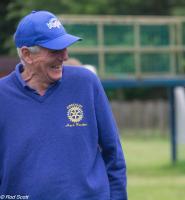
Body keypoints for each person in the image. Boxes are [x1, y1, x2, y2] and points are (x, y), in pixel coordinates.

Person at [0, 10, 127, 200]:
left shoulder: (86, 83)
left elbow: (114, 155)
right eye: (55, 50)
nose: (65, 56)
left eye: (65, 47)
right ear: (27, 54)